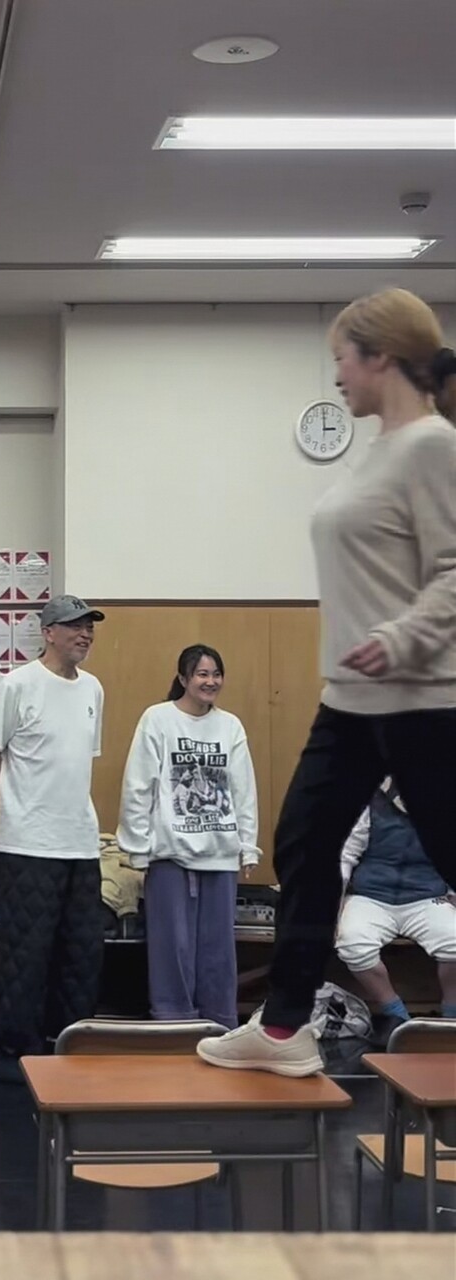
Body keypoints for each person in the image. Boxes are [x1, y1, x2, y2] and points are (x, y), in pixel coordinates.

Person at [198, 288, 456, 1076]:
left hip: (421, 696)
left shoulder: (432, 446)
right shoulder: (376, 450)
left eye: (342, 356)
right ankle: (283, 1030)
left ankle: (281, 1027)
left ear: (380, 357)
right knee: (304, 845)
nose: (336, 372)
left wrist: (398, 637)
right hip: (349, 699)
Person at [0, 594, 105, 1081]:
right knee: (26, 951)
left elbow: (79, 760)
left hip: (80, 839)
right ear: (48, 632)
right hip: (29, 842)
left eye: (89, 627)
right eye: (75, 626)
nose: (85, 634)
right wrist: (19, 803)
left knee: (82, 949)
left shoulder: (93, 688)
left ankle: (69, 1038)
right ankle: (16, 1046)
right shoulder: (18, 685)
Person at [117, 644, 260, 1028]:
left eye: (216, 674)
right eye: (201, 674)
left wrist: (248, 847)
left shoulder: (230, 726)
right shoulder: (158, 718)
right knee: (171, 946)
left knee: (218, 950)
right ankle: (172, 1019)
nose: (210, 681)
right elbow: (138, 785)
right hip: (169, 854)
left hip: (220, 853)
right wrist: (138, 847)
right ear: (183, 678)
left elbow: (243, 790)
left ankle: (218, 1021)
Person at [337, 778, 456, 1037]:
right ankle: (397, 1018)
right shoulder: (370, 800)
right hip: (371, 896)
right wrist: (334, 905)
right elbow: (345, 855)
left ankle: (451, 1020)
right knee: (353, 944)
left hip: (426, 896)